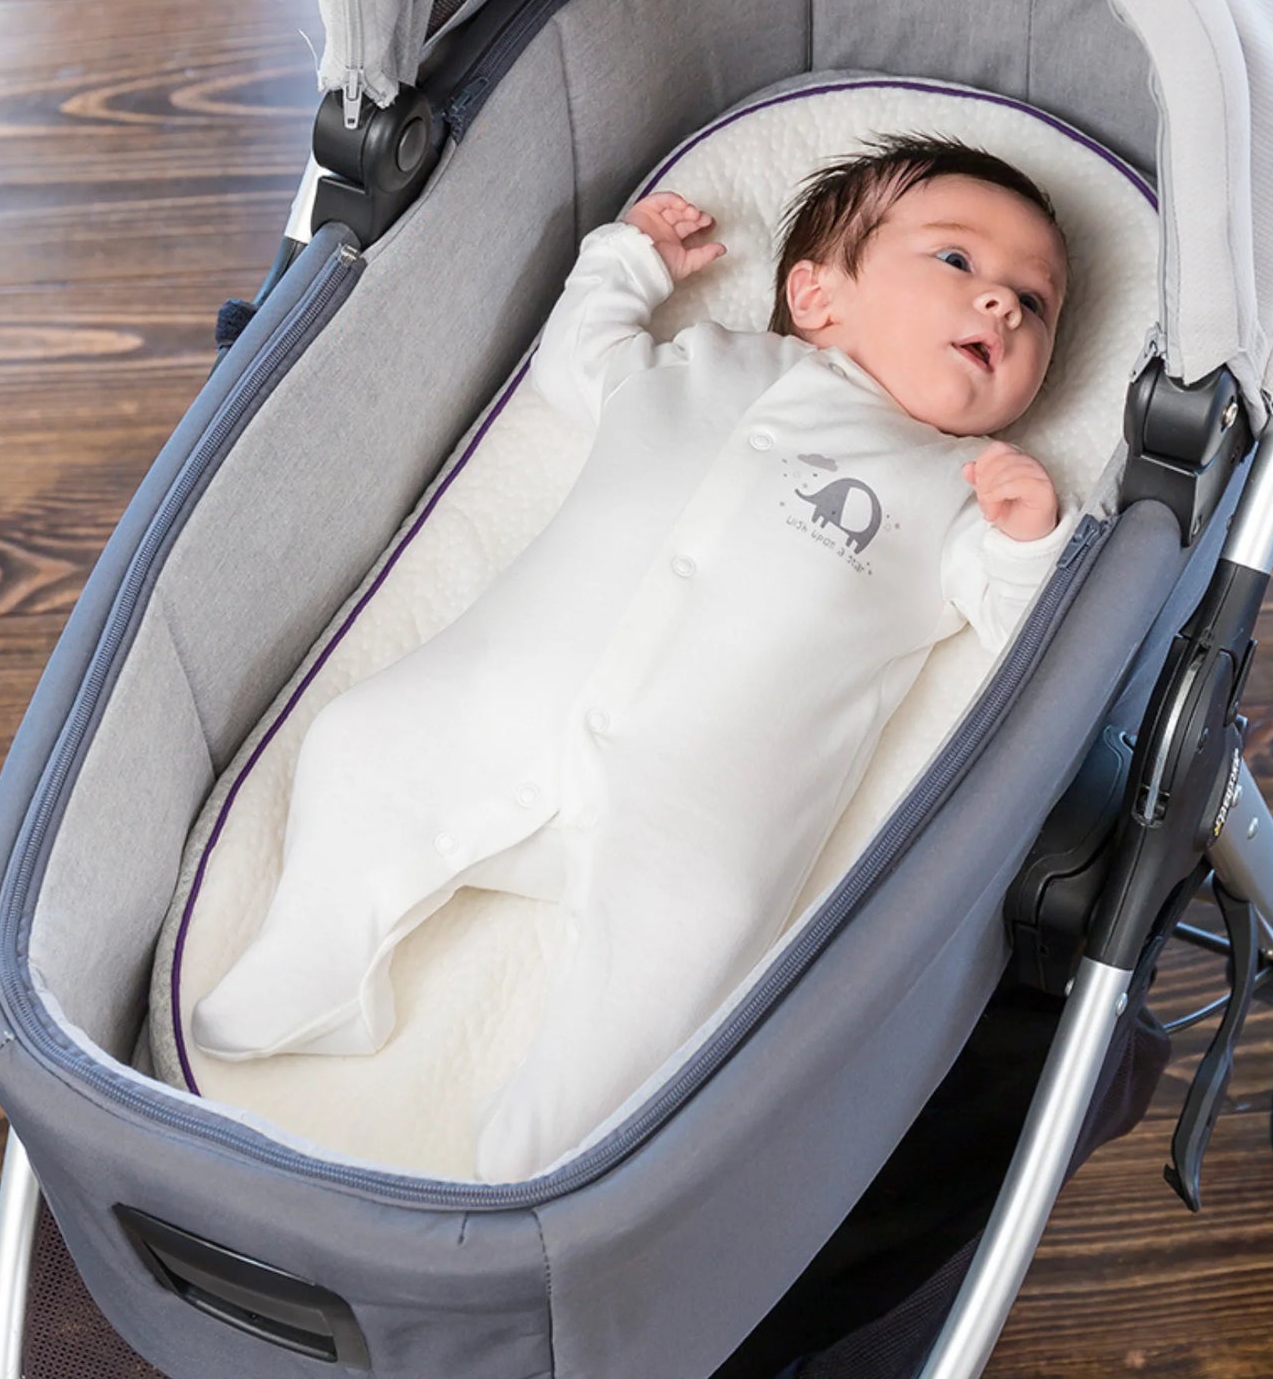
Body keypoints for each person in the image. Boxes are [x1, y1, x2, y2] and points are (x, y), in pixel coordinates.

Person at [192, 134, 1075, 1181]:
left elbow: (1016, 625)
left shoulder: (958, 485)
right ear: (817, 294)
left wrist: (1029, 541)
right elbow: (576, 366)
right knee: (360, 744)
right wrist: (628, 262)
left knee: (689, 949)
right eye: (958, 263)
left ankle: (549, 1149)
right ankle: (317, 960)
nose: (1003, 307)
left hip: (700, 800)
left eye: (1037, 302)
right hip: (507, 698)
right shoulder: (704, 363)